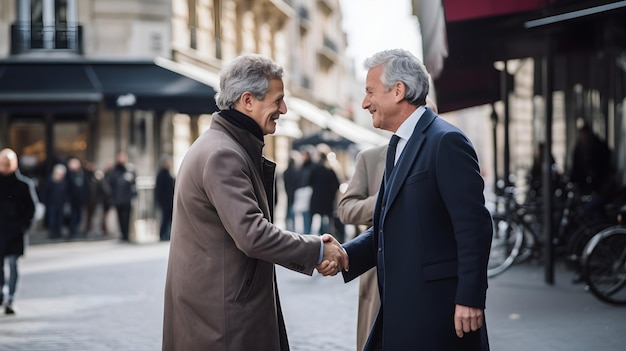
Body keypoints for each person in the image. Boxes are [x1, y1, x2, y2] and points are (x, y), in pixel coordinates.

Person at [162, 53, 348, 350]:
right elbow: (252, 234)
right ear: (248, 101)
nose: (284, 109)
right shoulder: (224, 154)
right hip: (223, 320)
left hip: (218, 310)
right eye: (277, 100)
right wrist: (317, 248)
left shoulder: (222, 146)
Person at [327, 49, 493, 350]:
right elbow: (386, 224)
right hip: (401, 308)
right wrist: (346, 255)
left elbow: (474, 227)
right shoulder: (397, 146)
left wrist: (470, 297)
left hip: (438, 312)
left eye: (370, 92)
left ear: (398, 91)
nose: (365, 103)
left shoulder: (446, 141)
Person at [0, 148, 37, 315]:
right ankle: (1, 295)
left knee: (14, 264)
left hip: (16, 232)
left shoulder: (24, 184)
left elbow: (31, 208)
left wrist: (23, 226)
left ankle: (11, 298)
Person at [309, 144, 341, 236]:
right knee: (328, 220)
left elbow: (309, 182)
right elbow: (337, 184)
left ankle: (320, 237)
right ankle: (328, 235)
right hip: (328, 199)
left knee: (318, 220)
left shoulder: (315, 168)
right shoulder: (331, 169)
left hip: (317, 198)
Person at [107, 151, 137, 241]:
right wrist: (112, 196)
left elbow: (134, 184)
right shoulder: (114, 171)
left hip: (127, 199)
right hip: (118, 199)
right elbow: (110, 184)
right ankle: (123, 234)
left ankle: (126, 235)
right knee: (120, 218)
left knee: (127, 217)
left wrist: (132, 194)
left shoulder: (130, 170)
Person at [42, 163, 69, 239]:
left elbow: (66, 194)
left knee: (59, 220)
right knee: (52, 220)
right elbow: (45, 193)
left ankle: (58, 233)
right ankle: (52, 234)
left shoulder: (64, 182)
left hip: (60, 204)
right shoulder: (50, 181)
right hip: (51, 204)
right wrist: (45, 203)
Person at [155, 154, 175, 241]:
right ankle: (162, 234)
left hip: (170, 200)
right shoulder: (161, 175)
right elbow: (159, 190)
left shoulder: (168, 174)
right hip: (165, 201)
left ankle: (170, 234)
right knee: (165, 218)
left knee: (170, 219)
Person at [66, 157, 87, 238]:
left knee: (78, 216)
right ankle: (72, 232)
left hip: (79, 199)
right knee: (72, 217)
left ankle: (76, 231)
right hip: (71, 200)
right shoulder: (68, 175)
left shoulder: (81, 173)